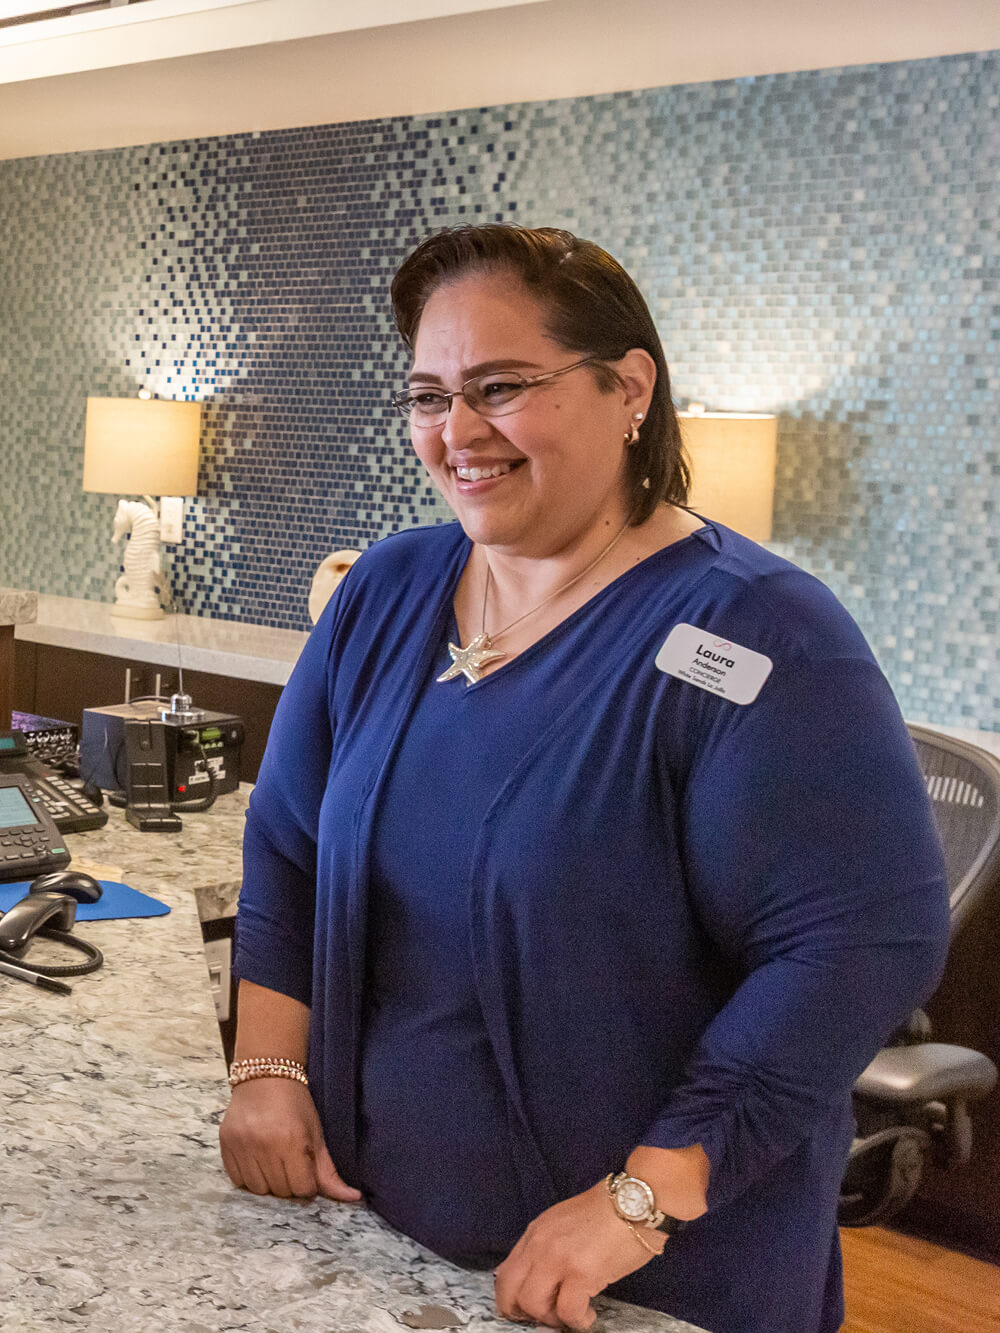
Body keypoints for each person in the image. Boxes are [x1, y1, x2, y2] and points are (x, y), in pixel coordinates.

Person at [220, 224, 950, 1333]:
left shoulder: (756, 634)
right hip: (374, 1235)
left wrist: (641, 1199)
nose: (457, 433)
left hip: (631, 1279)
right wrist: (266, 1068)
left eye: (501, 386)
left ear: (629, 389)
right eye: (428, 395)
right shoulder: (385, 588)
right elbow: (287, 841)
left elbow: (860, 944)